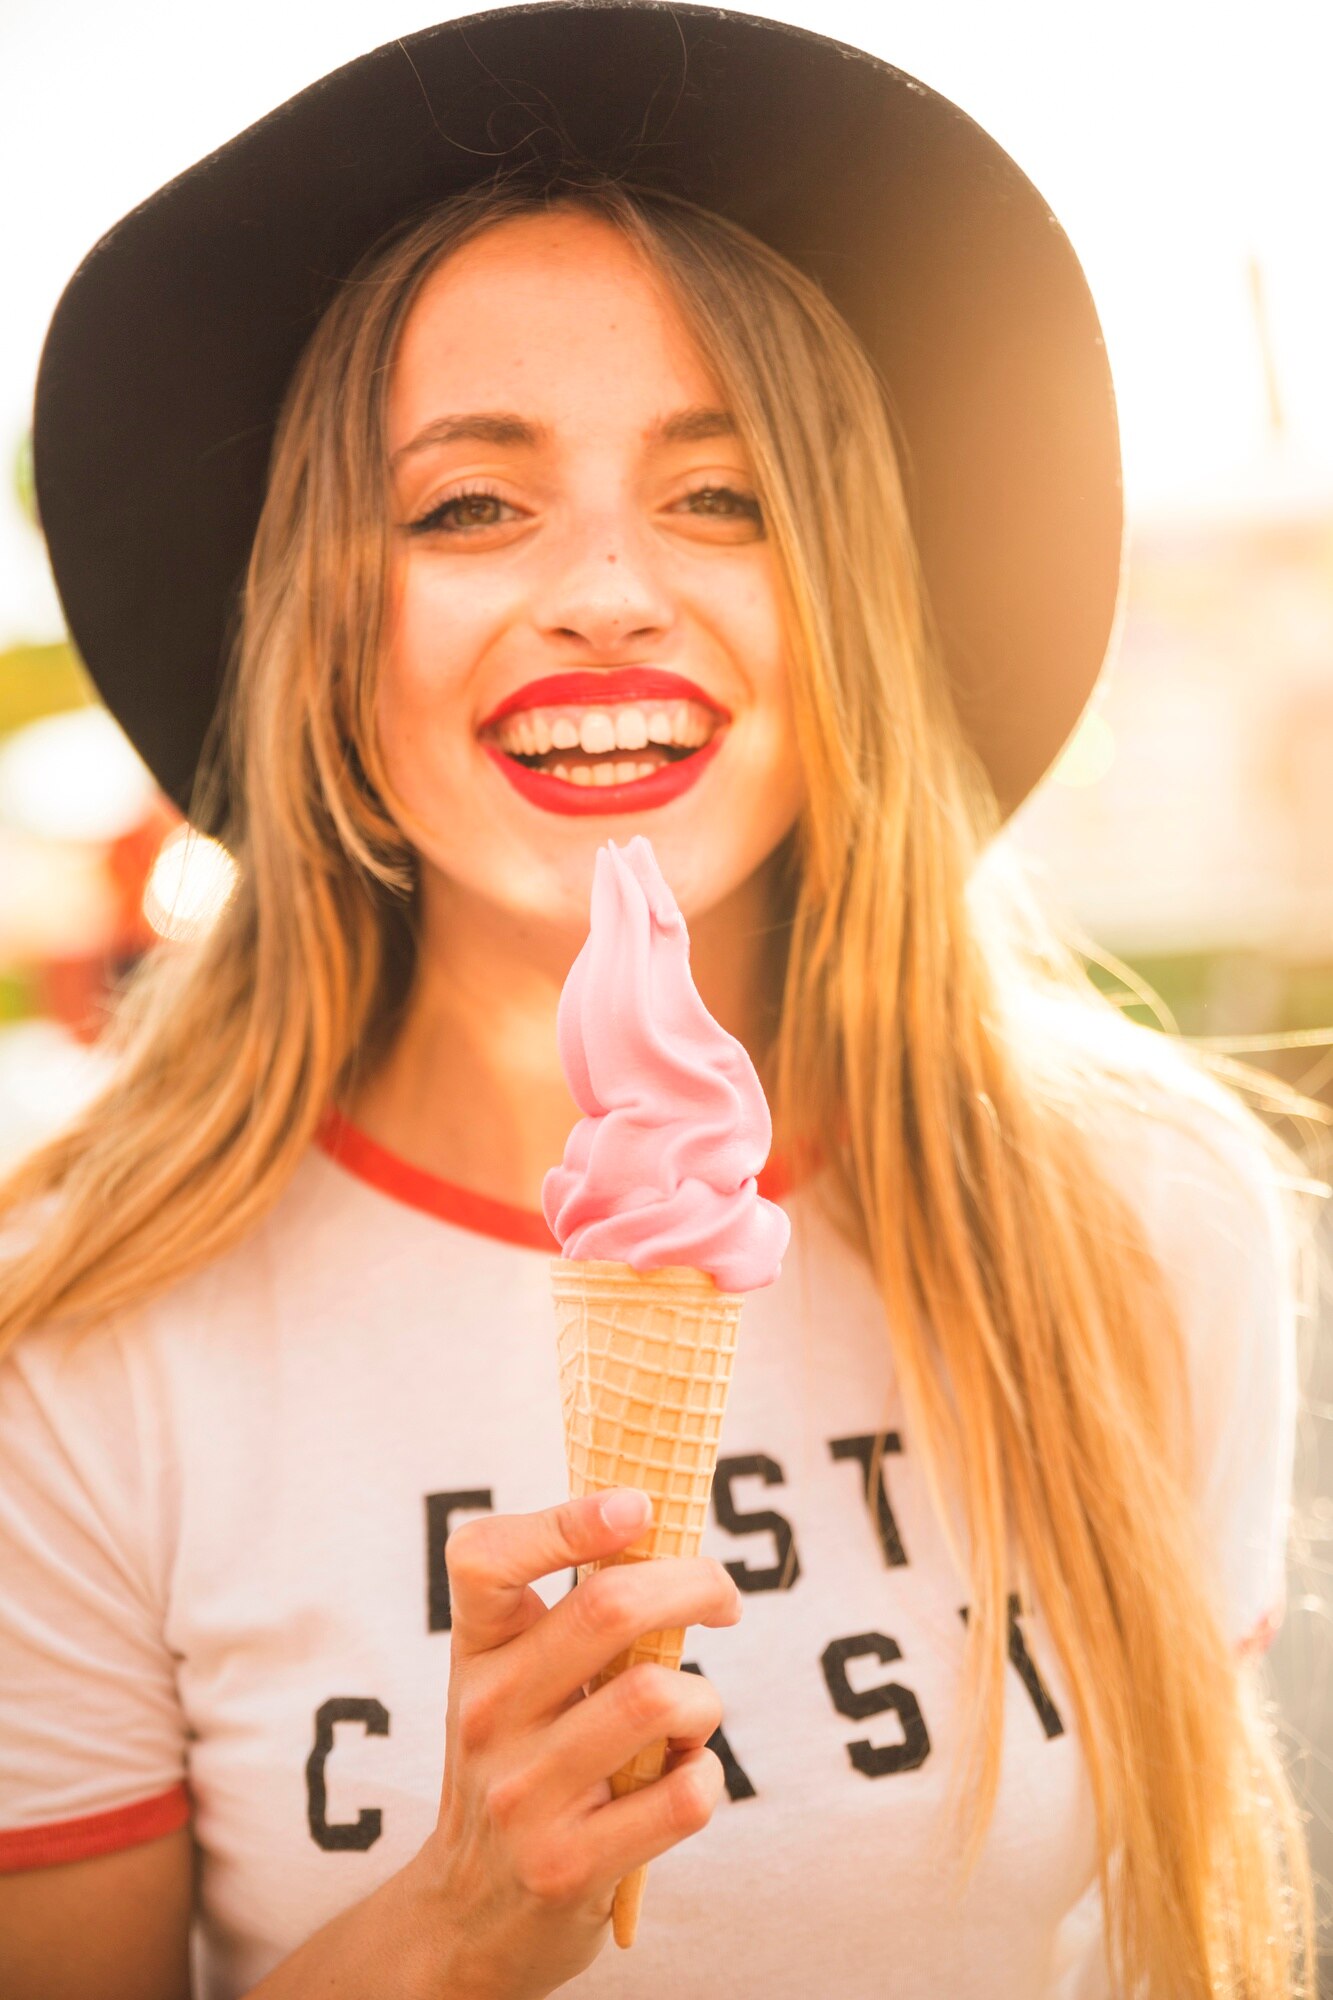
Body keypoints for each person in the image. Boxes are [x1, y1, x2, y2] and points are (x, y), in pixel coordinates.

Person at [0, 7, 1318, 1997]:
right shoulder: (80, 1334)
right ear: (325, 636)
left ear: (850, 603)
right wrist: (458, 1917)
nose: (607, 587)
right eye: (465, 505)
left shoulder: (1140, 1215)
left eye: (723, 496)